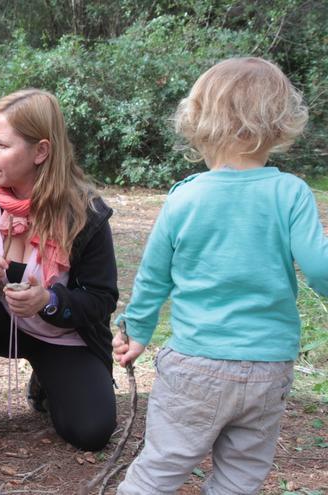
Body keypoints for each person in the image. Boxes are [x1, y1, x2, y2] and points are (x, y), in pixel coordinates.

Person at [113, 57, 328, 494]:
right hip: (268, 367)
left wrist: (137, 331)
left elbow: (154, 277)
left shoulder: (186, 198)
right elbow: (320, 268)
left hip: (196, 366)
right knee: (240, 476)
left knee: (161, 467)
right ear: (281, 122)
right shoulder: (290, 193)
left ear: (198, 120)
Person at [0, 89, 119, 451]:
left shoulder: (85, 214)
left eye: (1, 145)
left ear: (41, 151)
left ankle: (47, 381)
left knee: (92, 432)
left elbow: (101, 299)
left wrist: (48, 300)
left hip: (62, 337)